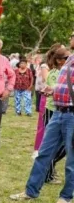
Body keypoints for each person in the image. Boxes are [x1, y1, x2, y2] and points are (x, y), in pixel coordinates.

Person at [10, 32, 74, 203]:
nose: (70, 37)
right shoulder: (69, 59)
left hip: (72, 115)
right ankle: (31, 191)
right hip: (58, 113)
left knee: (71, 160)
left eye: (73, 35)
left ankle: (66, 196)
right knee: (43, 153)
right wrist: (54, 90)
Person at [40, 45, 68, 183]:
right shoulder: (55, 73)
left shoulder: (65, 71)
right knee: (53, 144)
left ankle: (48, 168)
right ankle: (47, 174)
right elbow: (53, 90)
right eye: (66, 58)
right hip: (53, 110)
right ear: (58, 60)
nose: (69, 60)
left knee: (63, 144)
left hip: (61, 111)